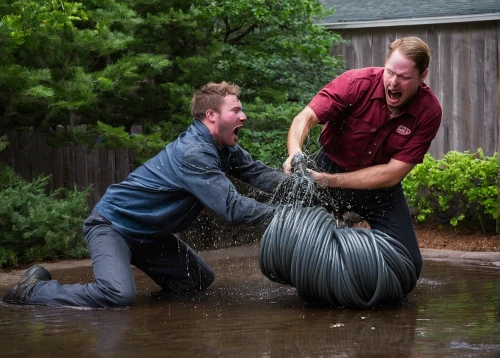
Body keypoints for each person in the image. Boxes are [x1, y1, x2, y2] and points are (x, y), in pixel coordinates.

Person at [4, 81, 288, 308]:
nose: (244, 116)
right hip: (113, 227)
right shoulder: (194, 153)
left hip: (149, 235)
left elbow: (258, 174)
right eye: (236, 110)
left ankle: (150, 308)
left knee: (196, 281)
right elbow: (233, 208)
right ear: (211, 115)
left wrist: (305, 186)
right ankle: (33, 290)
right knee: (116, 295)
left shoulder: (223, 148)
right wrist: (292, 216)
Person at [283, 37, 442, 277]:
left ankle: (361, 281)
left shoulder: (428, 112)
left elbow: (392, 174)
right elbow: (305, 117)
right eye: (390, 72)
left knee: (409, 265)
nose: (393, 82)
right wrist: (295, 150)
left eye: (404, 77)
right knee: (294, 251)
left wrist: (328, 180)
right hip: (328, 168)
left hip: (380, 189)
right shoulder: (356, 83)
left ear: (423, 76)